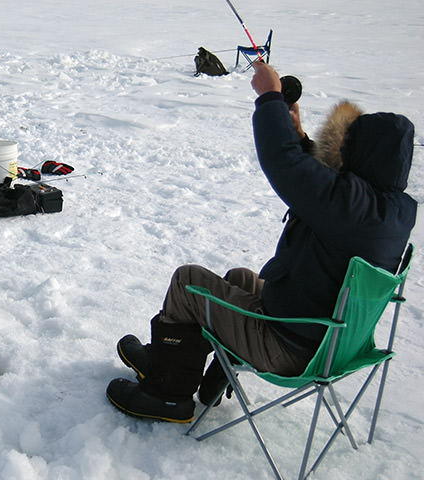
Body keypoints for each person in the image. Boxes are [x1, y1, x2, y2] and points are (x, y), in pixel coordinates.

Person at [106, 62, 417, 423]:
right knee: (240, 278)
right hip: (326, 340)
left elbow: (287, 166)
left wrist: (269, 97)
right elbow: (324, 185)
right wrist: (298, 135)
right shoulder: (392, 209)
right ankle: (187, 369)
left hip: (288, 348)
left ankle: (167, 393)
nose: (342, 153)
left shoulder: (351, 206)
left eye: (349, 147)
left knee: (187, 282)